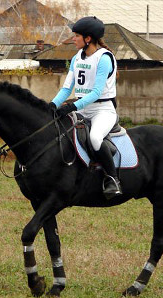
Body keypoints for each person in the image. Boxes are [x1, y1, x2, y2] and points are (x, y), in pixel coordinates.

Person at [49, 16, 122, 199]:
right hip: (82, 108)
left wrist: (71, 107)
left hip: (102, 110)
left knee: (95, 138)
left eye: (76, 36)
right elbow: (67, 88)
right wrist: (52, 105)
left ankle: (112, 179)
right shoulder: (76, 58)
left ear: (88, 38)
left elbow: (97, 92)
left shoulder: (104, 58)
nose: (73, 39)